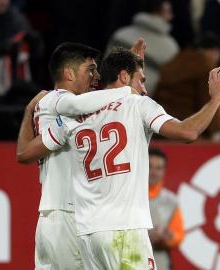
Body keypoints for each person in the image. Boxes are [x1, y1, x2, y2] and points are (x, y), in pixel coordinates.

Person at [17, 48, 220, 269]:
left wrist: (130, 74)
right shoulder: (131, 103)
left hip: (88, 231)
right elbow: (188, 132)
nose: (144, 89)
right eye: (142, 81)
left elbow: (24, 154)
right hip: (123, 229)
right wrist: (216, 99)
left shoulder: (76, 117)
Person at [16, 40, 145, 270]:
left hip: (51, 216)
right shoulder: (60, 101)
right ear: (68, 73)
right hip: (69, 213)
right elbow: (80, 107)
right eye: (90, 69)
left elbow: (24, 153)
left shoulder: (60, 114)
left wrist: (130, 71)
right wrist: (127, 89)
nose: (96, 77)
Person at [154, 33, 220, 140]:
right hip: (188, 129)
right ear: (214, 52)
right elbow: (208, 100)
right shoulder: (205, 65)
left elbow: (157, 95)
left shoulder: (174, 61)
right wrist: (216, 132)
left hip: (163, 127)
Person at [106, 0, 179, 96]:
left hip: (109, 98)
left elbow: (104, 68)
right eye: (168, 12)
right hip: (146, 103)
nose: (171, 16)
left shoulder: (121, 34)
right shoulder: (172, 48)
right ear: (159, 12)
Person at [148, 148, 185, 270]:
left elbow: (178, 235)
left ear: (164, 171)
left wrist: (168, 238)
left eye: (159, 168)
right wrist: (146, 235)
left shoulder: (171, 200)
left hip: (160, 262)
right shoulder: (129, 195)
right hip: (129, 259)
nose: (154, 172)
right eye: (150, 166)